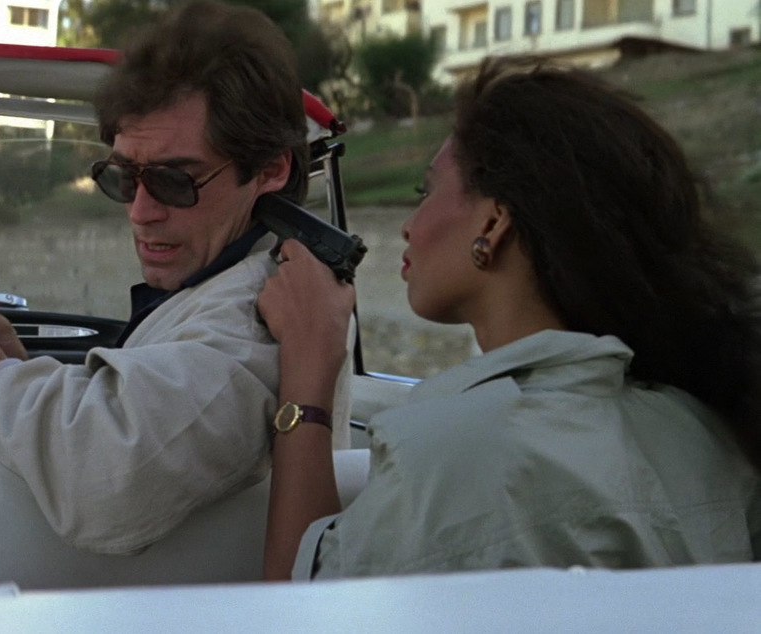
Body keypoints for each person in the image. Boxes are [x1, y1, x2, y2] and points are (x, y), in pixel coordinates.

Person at [258, 58, 761, 580]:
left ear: (494, 223)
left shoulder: (453, 454)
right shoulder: (706, 431)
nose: (408, 226)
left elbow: (298, 608)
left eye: (426, 192)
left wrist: (309, 360)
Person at [0, 0, 352, 554]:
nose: (141, 212)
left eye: (175, 181)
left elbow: (105, 478)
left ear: (271, 170)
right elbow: (148, 408)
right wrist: (14, 368)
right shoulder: (224, 287)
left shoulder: (258, 320)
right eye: (124, 178)